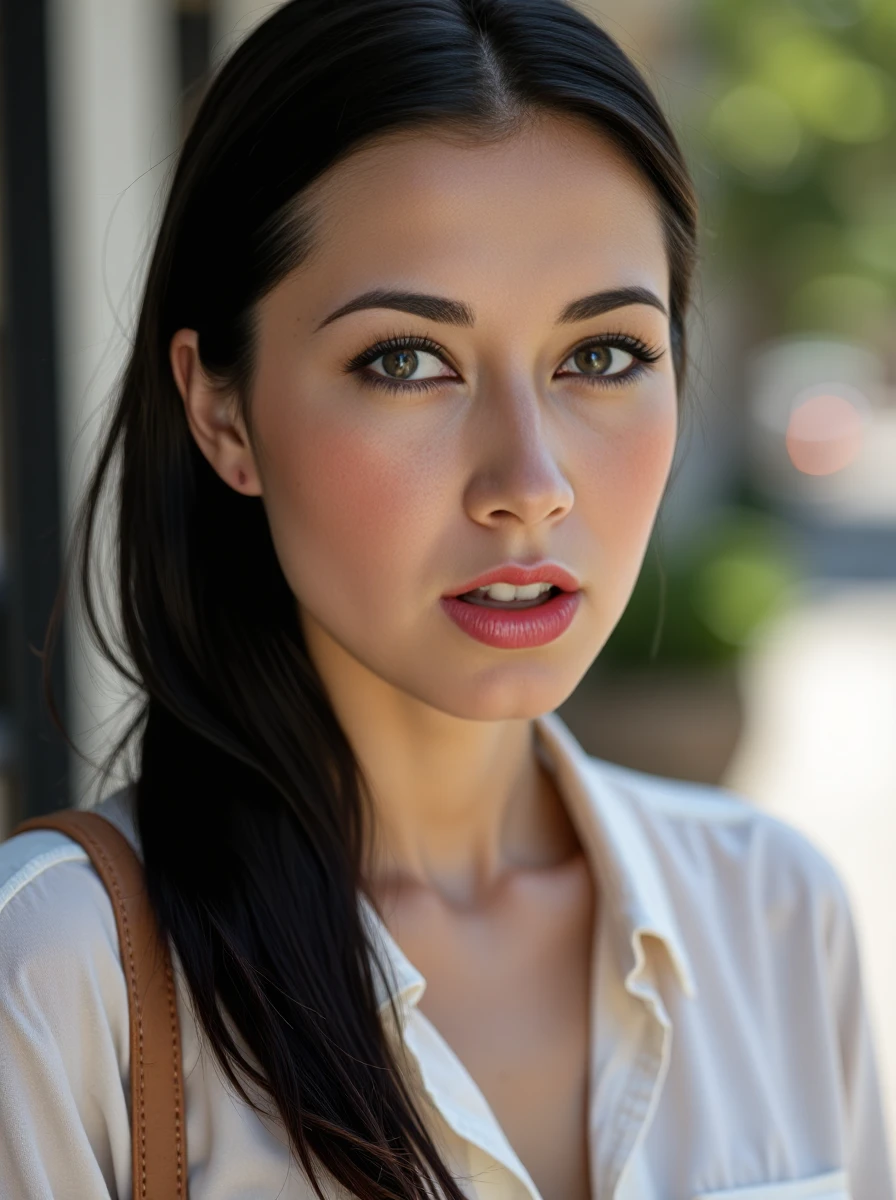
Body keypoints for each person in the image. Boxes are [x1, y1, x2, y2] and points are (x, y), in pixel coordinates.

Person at [0, 1, 892, 1197]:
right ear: (222, 412)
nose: (527, 485)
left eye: (603, 355)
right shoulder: (57, 981)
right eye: (405, 362)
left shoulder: (774, 918)